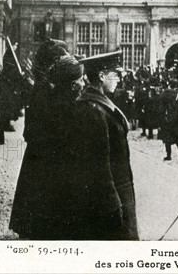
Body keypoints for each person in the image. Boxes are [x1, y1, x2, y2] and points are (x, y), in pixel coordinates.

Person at [9, 55, 88, 239]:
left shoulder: (51, 98)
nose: (83, 84)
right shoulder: (69, 108)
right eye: (80, 80)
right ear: (71, 84)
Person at [74, 50, 139, 240]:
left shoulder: (100, 103)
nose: (119, 78)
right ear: (101, 76)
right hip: (113, 195)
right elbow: (99, 164)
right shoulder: (94, 110)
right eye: (115, 74)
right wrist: (114, 204)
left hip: (120, 188)